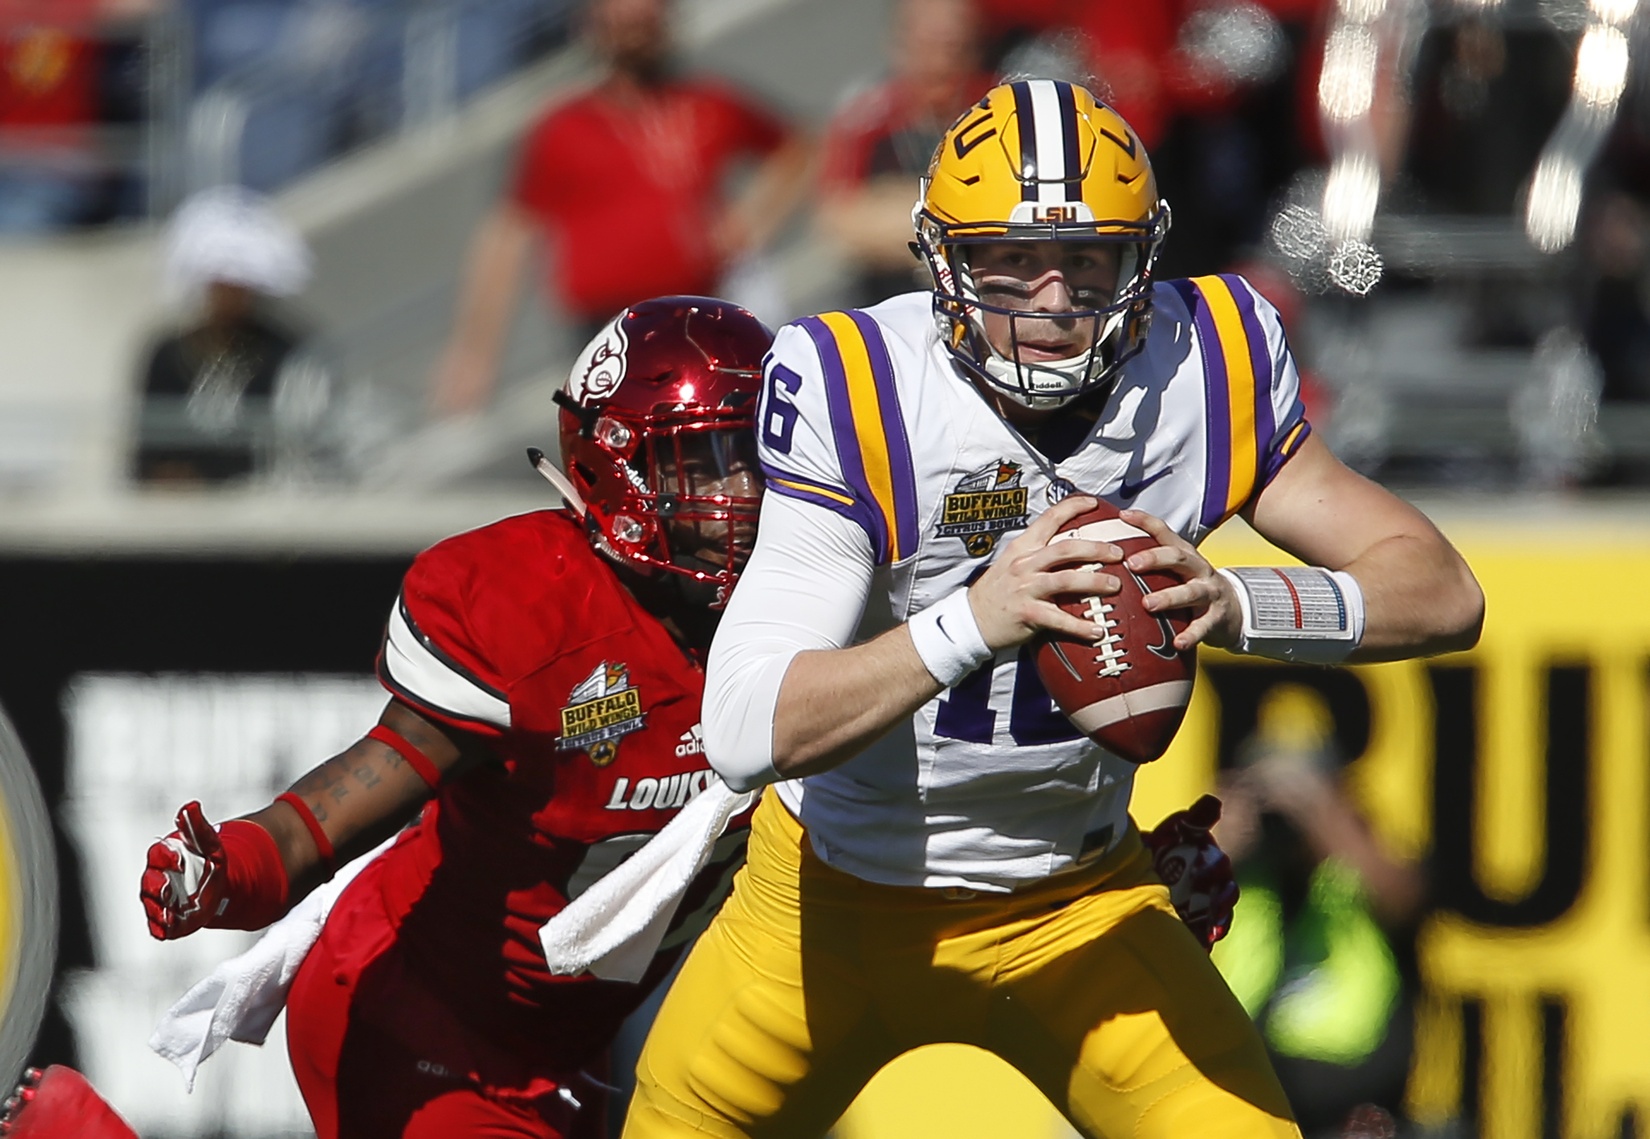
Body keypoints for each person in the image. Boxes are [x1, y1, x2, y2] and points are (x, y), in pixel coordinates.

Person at [623, 80, 1484, 1138]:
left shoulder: (1203, 361)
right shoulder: (861, 383)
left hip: (1074, 904)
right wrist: (976, 620)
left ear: (1143, 257)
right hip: (823, 903)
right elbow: (748, 722)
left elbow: (1443, 590)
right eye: (1009, 263)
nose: (1052, 301)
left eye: (1088, 263)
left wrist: (1236, 596)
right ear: (944, 262)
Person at [141, 296, 774, 1139]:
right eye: (708, 460)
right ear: (616, 471)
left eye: (760, 453)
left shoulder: (815, 599)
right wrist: (234, 868)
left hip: (570, 1046)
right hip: (420, 1021)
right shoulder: (532, 611)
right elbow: (333, 811)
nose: (748, 489)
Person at [428, 0, 810, 418]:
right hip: (606, 330)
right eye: (620, 26)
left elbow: (798, 150)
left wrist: (748, 221)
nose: (634, 37)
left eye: (645, 24)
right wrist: (475, 350)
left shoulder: (706, 104)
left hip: (697, 317)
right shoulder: (563, 129)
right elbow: (507, 238)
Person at [1213, 684, 1427, 1138]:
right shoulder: (1230, 880)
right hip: (1240, 1109)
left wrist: (1320, 810)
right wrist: (1216, 843)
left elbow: (1404, 900)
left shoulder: (1355, 871)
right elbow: (1152, 924)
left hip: (1352, 1116)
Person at [131, 185, 330, 485]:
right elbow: (145, 448)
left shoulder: (288, 354)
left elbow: (302, 446)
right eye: (219, 284)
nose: (230, 296)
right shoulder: (167, 355)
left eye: (240, 286)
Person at [815, 0, 992, 309]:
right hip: (894, 297)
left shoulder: (997, 105)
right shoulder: (869, 118)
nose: (941, 64)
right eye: (928, 46)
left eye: (954, 48)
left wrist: (897, 208)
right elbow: (840, 220)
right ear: (901, 44)